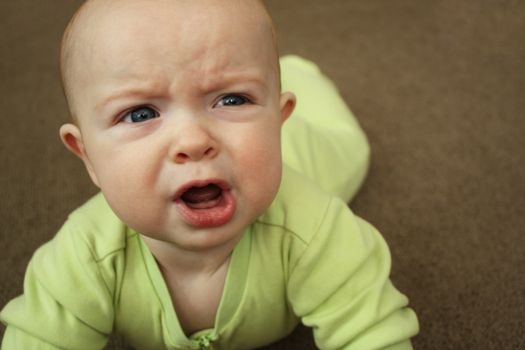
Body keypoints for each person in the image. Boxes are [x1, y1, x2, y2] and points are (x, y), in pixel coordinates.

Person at [0, 0, 419, 349]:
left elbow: (375, 332)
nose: (193, 140)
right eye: (141, 113)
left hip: (305, 152)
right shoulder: (84, 256)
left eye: (231, 99)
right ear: (87, 155)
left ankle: (300, 76)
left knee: (351, 146)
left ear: (277, 120)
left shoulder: (317, 230)